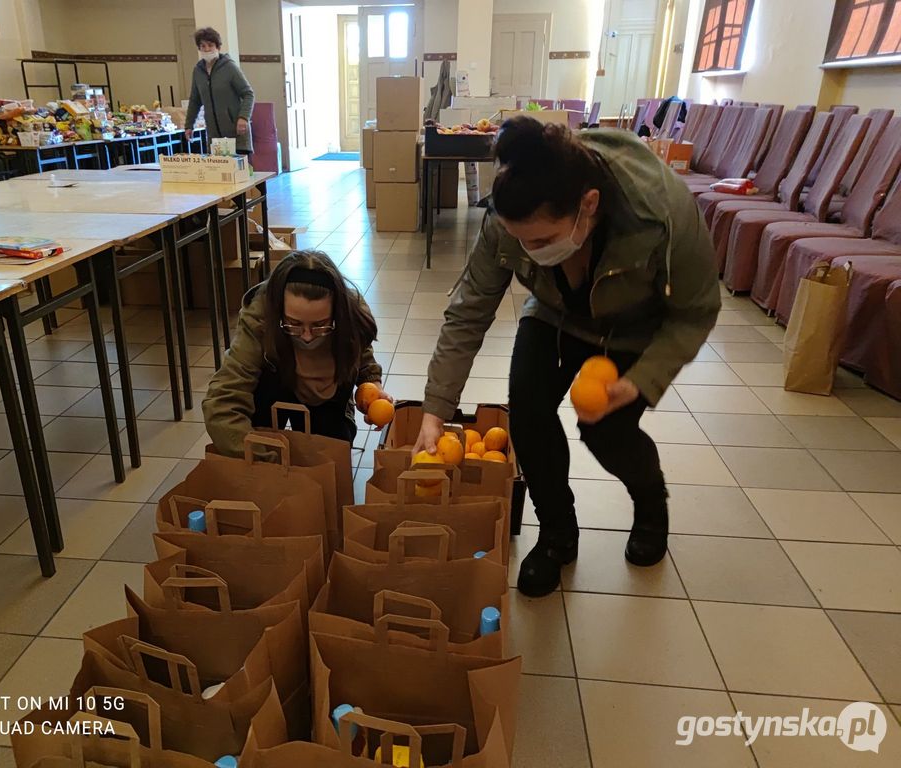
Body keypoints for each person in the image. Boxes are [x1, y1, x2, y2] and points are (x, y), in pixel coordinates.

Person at [413, 118, 720, 597]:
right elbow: (468, 311)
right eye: (520, 242)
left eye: (540, 241)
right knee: (529, 414)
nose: (530, 253)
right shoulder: (508, 219)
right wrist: (435, 411)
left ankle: (650, 501)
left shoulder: (660, 212)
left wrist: (641, 380)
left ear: (588, 205)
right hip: (555, 314)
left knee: (606, 432)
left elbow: (696, 311)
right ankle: (557, 534)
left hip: (634, 328)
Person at [202, 250, 390, 456]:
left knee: (332, 447)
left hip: (329, 390)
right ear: (278, 311)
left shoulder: (351, 311)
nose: (307, 337)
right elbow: (223, 401)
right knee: (257, 427)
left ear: (337, 313)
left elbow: (360, 350)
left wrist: (372, 382)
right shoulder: (260, 314)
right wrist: (261, 459)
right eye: (293, 324)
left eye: (320, 325)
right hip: (276, 382)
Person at [184, 27, 256, 156]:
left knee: (240, 172)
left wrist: (243, 117)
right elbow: (195, 100)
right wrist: (189, 125)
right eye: (203, 46)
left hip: (236, 132)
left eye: (210, 45)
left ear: (218, 47)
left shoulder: (229, 67)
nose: (206, 49)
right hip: (214, 135)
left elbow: (248, 94)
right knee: (218, 172)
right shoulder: (198, 71)